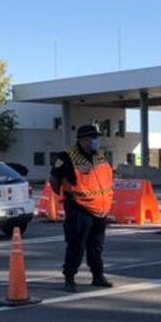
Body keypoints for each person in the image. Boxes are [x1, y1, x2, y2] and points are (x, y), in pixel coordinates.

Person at [49, 124, 115, 292]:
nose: (96, 141)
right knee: (76, 245)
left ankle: (97, 275)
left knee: (96, 246)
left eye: (97, 137)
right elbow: (54, 180)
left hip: (100, 210)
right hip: (79, 208)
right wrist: (66, 196)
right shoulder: (67, 157)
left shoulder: (100, 156)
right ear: (83, 139)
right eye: (93, 138)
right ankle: (69, 277)